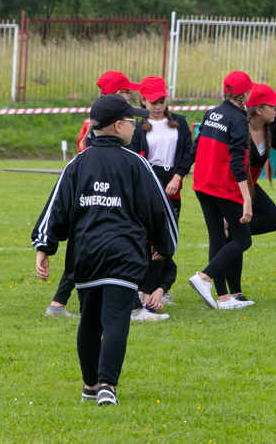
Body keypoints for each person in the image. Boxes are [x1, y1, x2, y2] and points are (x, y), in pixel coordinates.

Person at [32, 94, 178, 405]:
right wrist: (164, 247)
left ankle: (89, 385)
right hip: (124, 254)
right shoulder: (135, 162)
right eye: (131, 122)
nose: (136, 126)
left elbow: (55, 208)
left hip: (86, 255)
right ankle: (107, 386)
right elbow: (158, 210)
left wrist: (44, 246)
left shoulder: (78, 163)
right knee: (115, 319)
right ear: (116, 126)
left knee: (90, 320)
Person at [211, 83, 276, 307]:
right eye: (274, 105)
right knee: (235, 234)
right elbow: (226, 161)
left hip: (249, 183)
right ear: (258, 109)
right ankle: (231, 292)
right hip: (228, 186)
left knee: (273, 220)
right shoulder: (238, 124)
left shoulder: (271, 121)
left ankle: (232, 237)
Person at [48, 70, 141, 318]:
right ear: (115, 94)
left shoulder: (100, 119)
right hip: (97, 197)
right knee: (106, 246)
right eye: (126, 92)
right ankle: (132, 306)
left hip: (92, 200)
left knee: (84, 249)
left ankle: (58, 303)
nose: (130, 96)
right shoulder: (101, 125)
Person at [187, 71, 255, 310]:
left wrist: (183, 170)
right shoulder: (238, 118)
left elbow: (197, 146)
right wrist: (246, 198)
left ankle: (224, 298)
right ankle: (204, 277)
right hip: (221, 186)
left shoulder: (211, 113)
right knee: (242, 239)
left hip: (202, 184)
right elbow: (238, 161)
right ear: (245, 93)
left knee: (217, 236)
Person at [128, 75, 194, 320]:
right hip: (147, 186)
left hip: (172, 187)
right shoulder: (137, 128)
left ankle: (159, 289)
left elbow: (189, 151)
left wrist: (178, 177)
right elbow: (134, 159)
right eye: (153, 101)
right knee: (145, 239)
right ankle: (143, 288)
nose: (158, 105)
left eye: (162, 100)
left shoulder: (180, 122)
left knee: (166, 240)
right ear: (143, 101)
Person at [76, 71, 140, 152]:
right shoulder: (124, 126)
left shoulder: (96, 123)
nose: (129, 97)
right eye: (128, 93)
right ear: (118, 94)